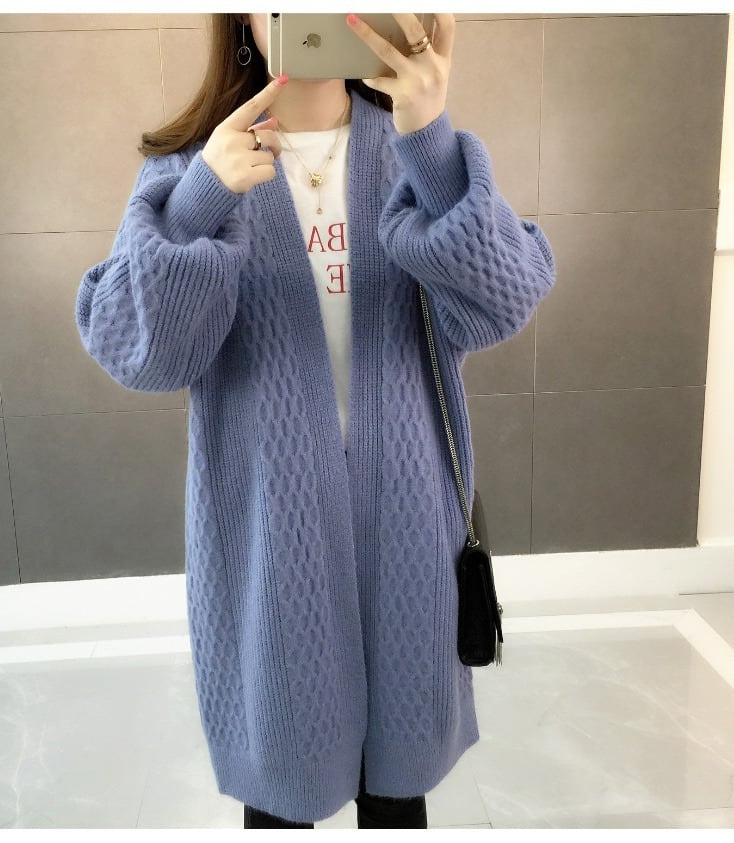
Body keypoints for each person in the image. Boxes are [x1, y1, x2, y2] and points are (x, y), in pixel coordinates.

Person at [75, 12, 556, 829]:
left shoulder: (414, 147)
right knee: (281, 790)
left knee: (398, 795)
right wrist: (196, 205)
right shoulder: (190, 167)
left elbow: (504, 302)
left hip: (410, 527)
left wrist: (432, 140)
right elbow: (141, 354)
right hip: (269, 535)